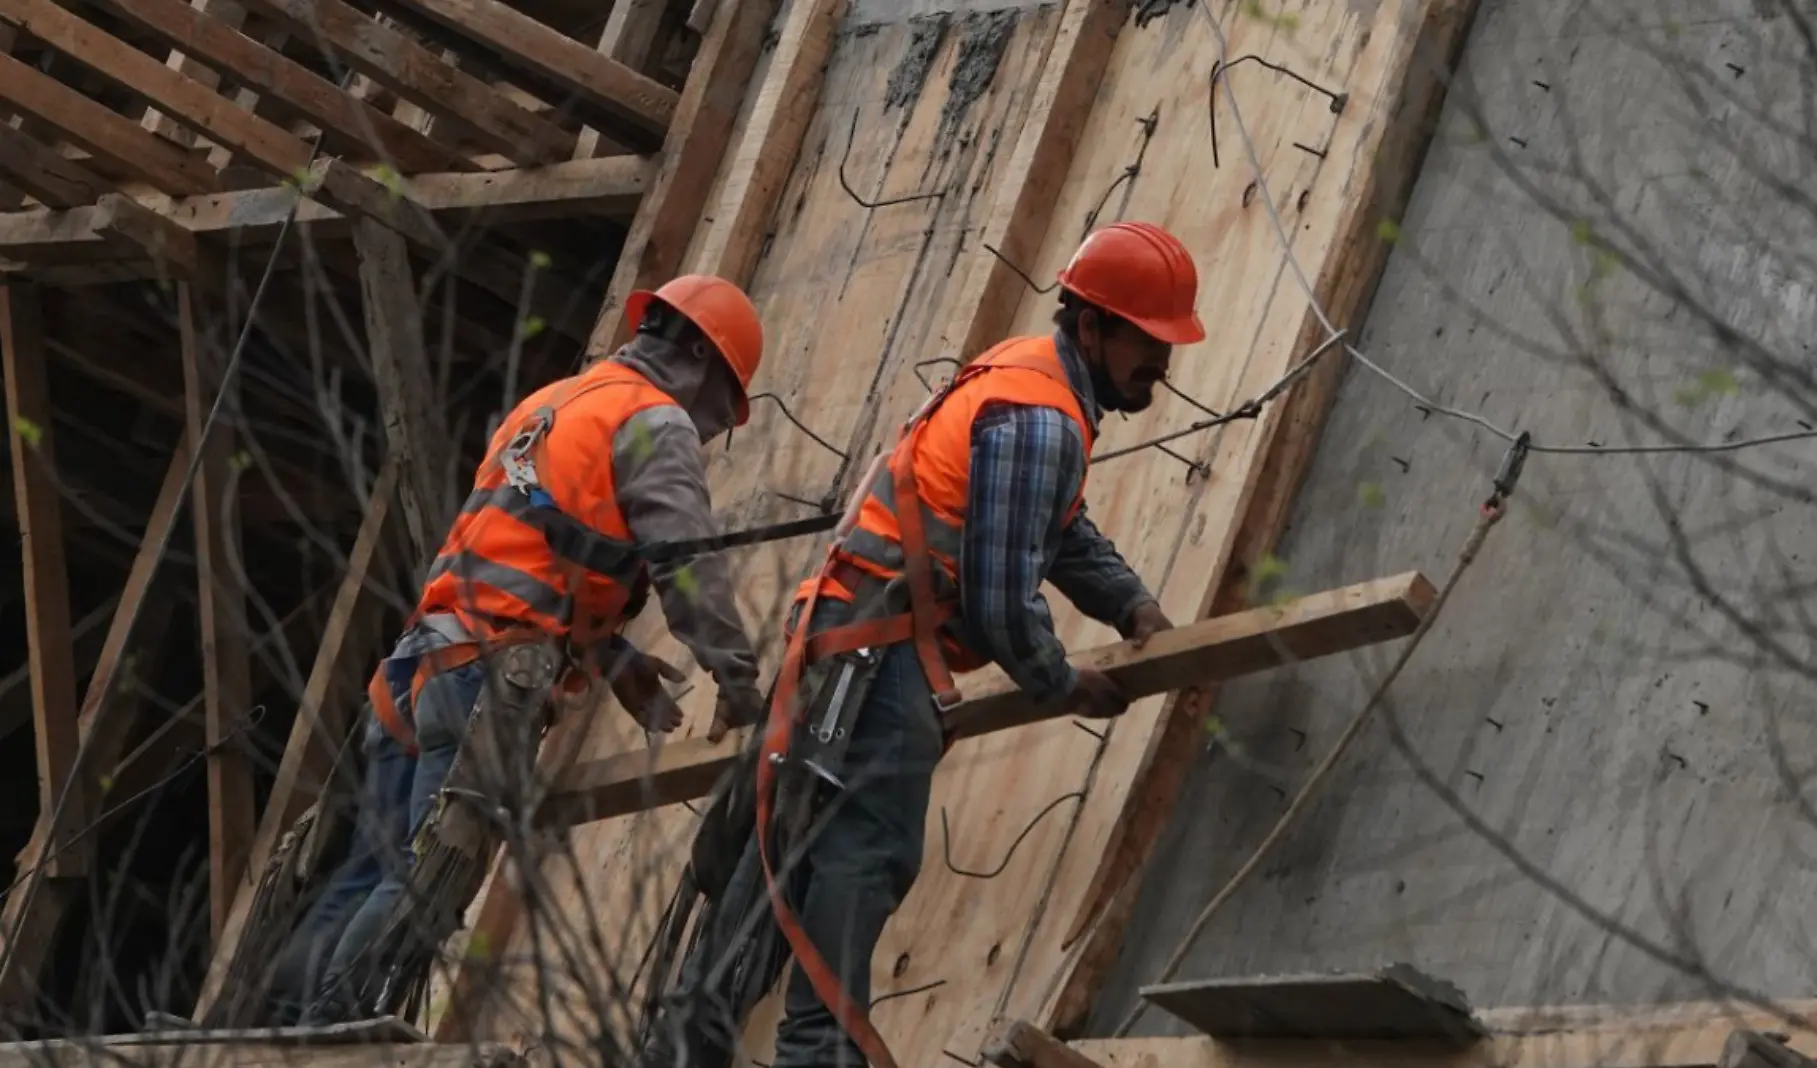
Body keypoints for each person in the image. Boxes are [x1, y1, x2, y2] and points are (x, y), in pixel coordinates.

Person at [653, 221, 1204, 1068]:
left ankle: (685, 1054)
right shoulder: (1042, 418)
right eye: (1148, 342)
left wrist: (1130, 605)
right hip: (878, 669)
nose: (1159, 366)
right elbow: (997, 599)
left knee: (777, 879)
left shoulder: (1020, 377)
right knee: (853, 869)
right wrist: (1062, 683)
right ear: (1092, 324)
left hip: (844, 648)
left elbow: (1055, 530)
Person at [279, 274, 771, 1026]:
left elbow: (543, 547)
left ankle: (270, 1030)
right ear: (700, 355)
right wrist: (736, 677)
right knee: (431, 871)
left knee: (370, 870)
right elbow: (686, 562)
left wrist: (612, 660)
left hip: (424, 660)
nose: (708, 427)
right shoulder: (653, 421)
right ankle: (325, 1041)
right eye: (721, 405)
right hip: (484, 677)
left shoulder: (555, 403)